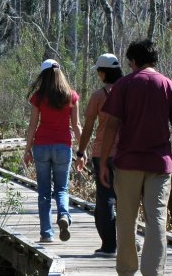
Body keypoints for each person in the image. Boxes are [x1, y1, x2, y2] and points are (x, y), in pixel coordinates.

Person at [98, 40, 172, 276]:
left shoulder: (124, 85)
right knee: (157, 218)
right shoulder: (171, 86)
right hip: (160, 165)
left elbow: (111, 126)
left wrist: (104, 161)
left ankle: (126, 272)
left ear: (134, 61)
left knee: (126, 218)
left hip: (127, 163)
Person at [24, 59, 82, 243]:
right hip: (63, 147)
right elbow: (77, 125)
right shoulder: (71, 96)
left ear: (44, 76)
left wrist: (27, 149)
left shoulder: (38, 97)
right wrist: (82, 150)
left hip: (41, 146)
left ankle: (46, 233)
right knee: (61, 189)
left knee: (44, 191)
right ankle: (64, 215)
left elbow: (33, 125)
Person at [74, 53, 123, 256]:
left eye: (99, 72)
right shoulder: (129, 91)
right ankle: (127, 242)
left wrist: (80, 151)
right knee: (126, 199)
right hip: (127, 153)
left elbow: (87, 127)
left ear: (103, 73)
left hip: (102, 152)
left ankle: (109, 246)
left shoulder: (98, 96)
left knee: (105, 200)